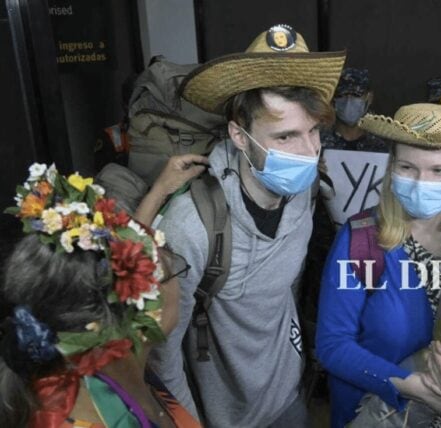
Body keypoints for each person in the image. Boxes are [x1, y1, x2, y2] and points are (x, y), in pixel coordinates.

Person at [149, 25, 346, 427]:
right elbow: (162, 354)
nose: (308, 152)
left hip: (290, 396)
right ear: (239, 136)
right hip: (225, 416)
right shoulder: (192, 226)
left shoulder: (307, 192)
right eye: (286, 137)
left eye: (312, 131)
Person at [315, 103, 441, 427]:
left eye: (439, 171)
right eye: (407, 167)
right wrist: (411, 386)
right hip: (381, 416)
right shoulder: (362, 240)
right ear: (392, 167)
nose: (421, 181)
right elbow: (332, 346)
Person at [0, 163, 200, 427]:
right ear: (147, 311)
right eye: (172, 270)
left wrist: (159, 191)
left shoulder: (102, 367)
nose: (177, 278)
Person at [321, 67, 388, 153]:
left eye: (356, 95)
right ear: (333, 99)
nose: (348, 101)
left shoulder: (379, 146)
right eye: (342, 95)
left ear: (369, 98)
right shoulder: (319, 143)